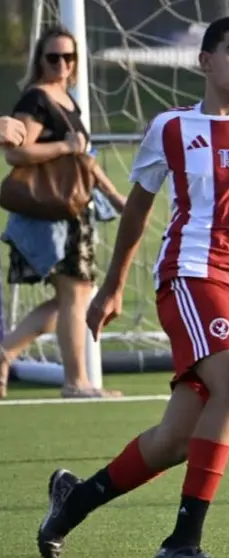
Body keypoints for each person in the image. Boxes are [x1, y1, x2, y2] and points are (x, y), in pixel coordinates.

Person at [35, 16, 229, 558]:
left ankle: (72, 501)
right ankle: (184, 541)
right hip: (190, 275)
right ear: (204, 61)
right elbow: (136, 212)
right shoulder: (171, 128)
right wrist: (111, 287)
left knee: (177, 438)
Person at [1, 26, 127, 399]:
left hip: (75, 209)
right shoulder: (37, 99)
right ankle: (76, 381)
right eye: (53, 56)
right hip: (49, 212)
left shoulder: (68, 99)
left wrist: (114, 193)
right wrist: (61, 145)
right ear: (40, 59)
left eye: (68, 57)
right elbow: (15, 152)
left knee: (75, 298)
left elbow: (83, 156)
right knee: (74, 296)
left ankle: (7, 349)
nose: (61, 64)